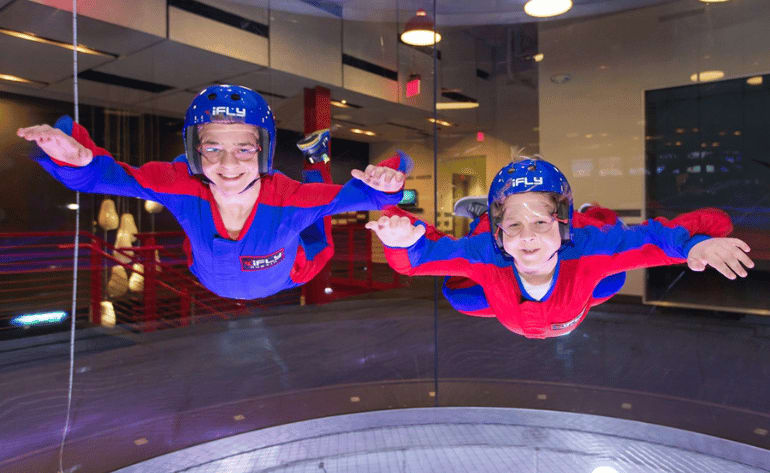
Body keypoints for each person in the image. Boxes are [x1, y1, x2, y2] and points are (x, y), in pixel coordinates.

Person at [17, 84, 412, 300]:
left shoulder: (287, 196)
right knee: (311, 202)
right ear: (195, 149)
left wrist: (388, 180)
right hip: (211, 275)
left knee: (316, 208)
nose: (228, 166)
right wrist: (78, 157)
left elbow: (368, 197)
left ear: (263, 151)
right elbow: (105, 178)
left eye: (244, 148)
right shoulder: (180, 181)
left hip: (292, 273)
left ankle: (313, 161)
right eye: (212, 148)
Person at [366, 156, 753, 339]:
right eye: (514, 225)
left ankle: (592, 212)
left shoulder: (586, 248)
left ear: (562, 221)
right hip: (501, 295)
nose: (528, 237)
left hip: (580, 285)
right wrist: (403, 240)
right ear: (499, 231)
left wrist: (696, 244)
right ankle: (484, 216)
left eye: (540, 222)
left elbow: (654, 239)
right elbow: (420, 257)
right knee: (459, 294)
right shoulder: (487, 250)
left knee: (609, 271)